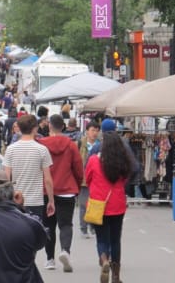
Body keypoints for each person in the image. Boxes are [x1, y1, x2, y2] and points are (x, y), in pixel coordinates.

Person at [85, 131, 134, 283]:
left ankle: (104, 259)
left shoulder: (93, 160)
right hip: (117, 204)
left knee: (101, 239)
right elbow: (126, 180)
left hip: (98, 204)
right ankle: (116, 275)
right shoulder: (124, 162)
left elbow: (87, 179)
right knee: (115, 239)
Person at [39, 114, 84, 272]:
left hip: (46, 189)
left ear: (49, 126)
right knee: (66, 224)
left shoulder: (41, 144)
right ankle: (65, 250)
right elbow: (78, 168)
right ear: (63, 127)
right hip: (67, 189)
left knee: (48, 225)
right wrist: (76, 186)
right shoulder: (71, 145)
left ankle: (50, 259)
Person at [3, 114, 55, 220]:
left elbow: (6, 178)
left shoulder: (10, 149)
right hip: (36, 201)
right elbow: (48, 179)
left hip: (16, 199)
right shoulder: (42, 150)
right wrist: (51, 200)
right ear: (35, 128)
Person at [79, 120, 100, 238]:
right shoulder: (80, 144)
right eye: (93, 130)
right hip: (84, 180)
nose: (95, 133)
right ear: (87, 131)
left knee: (95, 204)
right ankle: (83, 228)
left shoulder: (100, 145)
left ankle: (93, 226)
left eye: (97, 131)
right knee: (83, 205)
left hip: (97, 180)